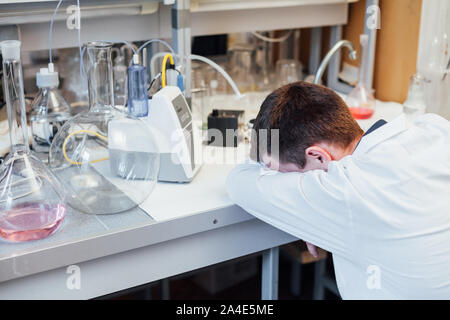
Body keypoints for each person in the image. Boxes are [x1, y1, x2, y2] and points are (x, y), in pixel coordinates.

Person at [226, 81, 450, 299]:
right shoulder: (434, 129)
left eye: (286, 174)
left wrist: (311, 210)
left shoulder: (344, 191)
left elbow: (238, 182)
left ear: (318, 156)